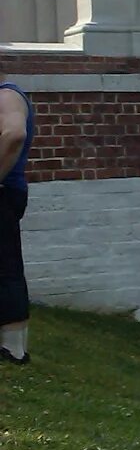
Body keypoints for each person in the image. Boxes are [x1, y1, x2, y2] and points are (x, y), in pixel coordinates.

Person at [0, 78, 34, 367]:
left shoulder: (7, 96)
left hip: (3, 191)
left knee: (5, 265)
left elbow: (14, 135)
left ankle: (13, 348)